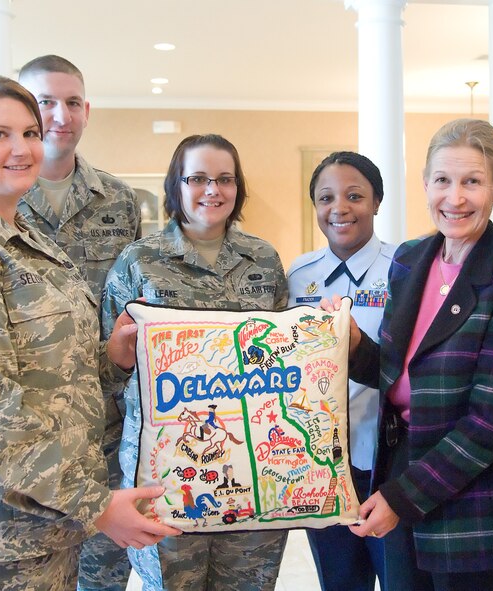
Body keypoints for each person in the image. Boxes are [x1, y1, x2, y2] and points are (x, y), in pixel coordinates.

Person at [0, 74, 179, 590]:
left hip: (44, 521)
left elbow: (44, 367)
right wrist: (95, 507)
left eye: (29, 133)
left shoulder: (18, 234)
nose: (21, 148)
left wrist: (108, 355)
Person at [325, 119, 493, 591]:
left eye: (473, 181)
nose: (455, 197)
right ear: (426, 183)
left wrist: (401, 499)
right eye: (443, 180)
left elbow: (490, 423)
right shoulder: (410, 259)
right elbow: (394, 373)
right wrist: (352, 344)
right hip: (401, 468)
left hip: (472, 502)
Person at [102, 133, 289, 591]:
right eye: (198, 178)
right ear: (176, 185)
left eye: (225, 179)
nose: (213, 190)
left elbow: (283, 353)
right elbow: (107, 366)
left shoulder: (263, 259)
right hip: (165, 468)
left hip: (252, 461)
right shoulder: (138, 261)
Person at [18, 54, 142, 591]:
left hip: (103, 425)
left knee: (104, 576)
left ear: (86, 110)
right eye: (45, 102)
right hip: (26, 428)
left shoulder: (118, 200)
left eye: (71, 102)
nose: (59, 115)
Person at [287, 151, 395, 591]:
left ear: (376, 201)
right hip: (321, 463)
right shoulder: (298, 275)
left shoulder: (404, 268)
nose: (339, 208)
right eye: (325, 198)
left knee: (398, 578)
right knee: (339, 582)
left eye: (355, 196)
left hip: (385, 461)